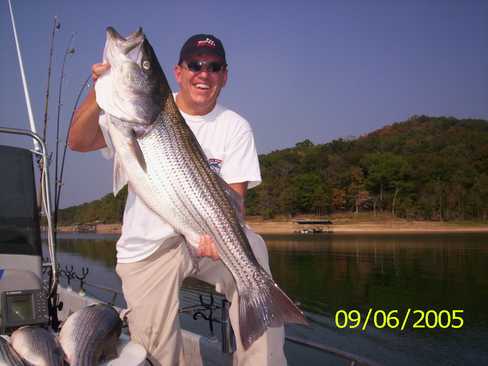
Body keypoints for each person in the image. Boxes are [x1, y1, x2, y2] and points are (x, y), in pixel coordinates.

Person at [68, 34, 286, 366]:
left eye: (213, 67)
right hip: (148, 247)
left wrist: (215, 234)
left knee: (253, 250)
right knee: (155, 353)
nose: (204, 73)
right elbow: (78, 141)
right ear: (178, 72)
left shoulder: (235, 126)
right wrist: (99, 90)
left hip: (209, 235)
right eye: (195, 65)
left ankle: (261, 327)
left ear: (224, 76)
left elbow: (235, 201)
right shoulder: (134, 112)